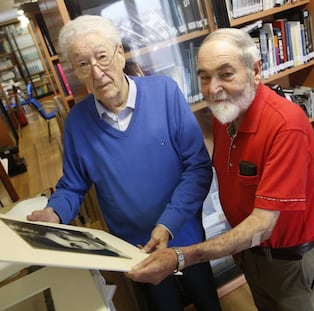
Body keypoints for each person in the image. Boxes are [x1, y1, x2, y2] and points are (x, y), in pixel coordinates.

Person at [27, 15, 222, 311]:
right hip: (134, 250)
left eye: (102, 57)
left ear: (120, 54)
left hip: (185, 235)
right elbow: (73, 185)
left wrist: (167, 225)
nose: (96, 71)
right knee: (163, 306)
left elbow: (197, 167)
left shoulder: (165, 93)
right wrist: (54, 212)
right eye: (82, 64)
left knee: (207, 300)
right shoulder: (77, 124)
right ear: (76, 73)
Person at [126, 28, 314, 311]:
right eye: (204, 77)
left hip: (287, 263)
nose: (212, 88)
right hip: (249, 251)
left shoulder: (287, 126)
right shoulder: (225, 115)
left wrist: (181, 257)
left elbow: (263, 223)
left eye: (226, 74)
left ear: (255, 71)